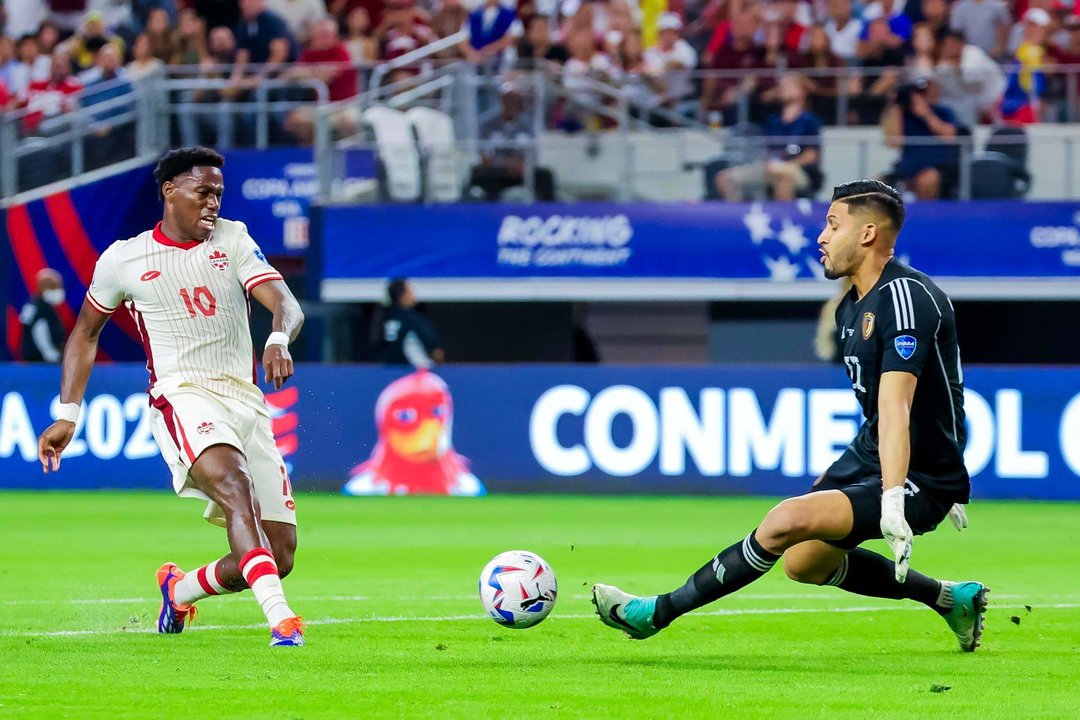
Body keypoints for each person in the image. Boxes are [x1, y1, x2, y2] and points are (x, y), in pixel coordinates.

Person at [593, 179, 987, 654]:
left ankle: (653, 613)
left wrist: (904, 491)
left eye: (832, 224)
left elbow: (898, 404)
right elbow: (918, 397)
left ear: (866, 234)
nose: (820, 236)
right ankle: (950, 599)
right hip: (877, 452)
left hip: (916, 473)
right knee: (804, 565)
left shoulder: (904, 298)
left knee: (784, 520)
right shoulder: (850, 310)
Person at [36, 147, 307, 648]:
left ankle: (178, 589)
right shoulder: (124, 258)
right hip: (181, 394)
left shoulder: (235, 238)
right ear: (170, 191)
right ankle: (282, 621)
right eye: (203, 192)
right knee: (234, 484)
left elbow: (285, 304)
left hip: (244, 399)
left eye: (219, 195)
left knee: (281, 553)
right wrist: (67, 413)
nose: (213, 204)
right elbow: (85, 334)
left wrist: (276, 338)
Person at [716, 73, 822, 201]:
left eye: (789, 85)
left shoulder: (809, 120)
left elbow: (812, 155)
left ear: (802, 91)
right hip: (768, 166)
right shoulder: (773, 120)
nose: (783, 88)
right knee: (725, 178)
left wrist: (784, 165)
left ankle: (783, 219)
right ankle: (741, 217)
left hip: (796, 168)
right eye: (781, 86)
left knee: (782, 176)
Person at [882, 78, 960, 200]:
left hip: (938, 163)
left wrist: (925, 113)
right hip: (908, 165)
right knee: (877, 183)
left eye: (922, 92)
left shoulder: (944, 112)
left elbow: (949, 136)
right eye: (916, 94)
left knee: (927, 180)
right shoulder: (902, 115)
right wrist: (896, 107)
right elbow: (893, 141)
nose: (919, 97)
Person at [380, 278, 444, 368]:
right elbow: (436, 351)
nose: (414, 295)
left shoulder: (385, 317)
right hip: (414, 372)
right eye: (411, 291)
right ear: (402, 295)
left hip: (388, 371)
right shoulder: (413, 319)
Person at [19, 268, 67, 363]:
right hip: (41, 363)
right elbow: (40, 334)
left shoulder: (36, 304)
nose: (59, 290)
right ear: (42, 287)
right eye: (54, 287)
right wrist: (55, 357)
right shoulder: (42, 308)